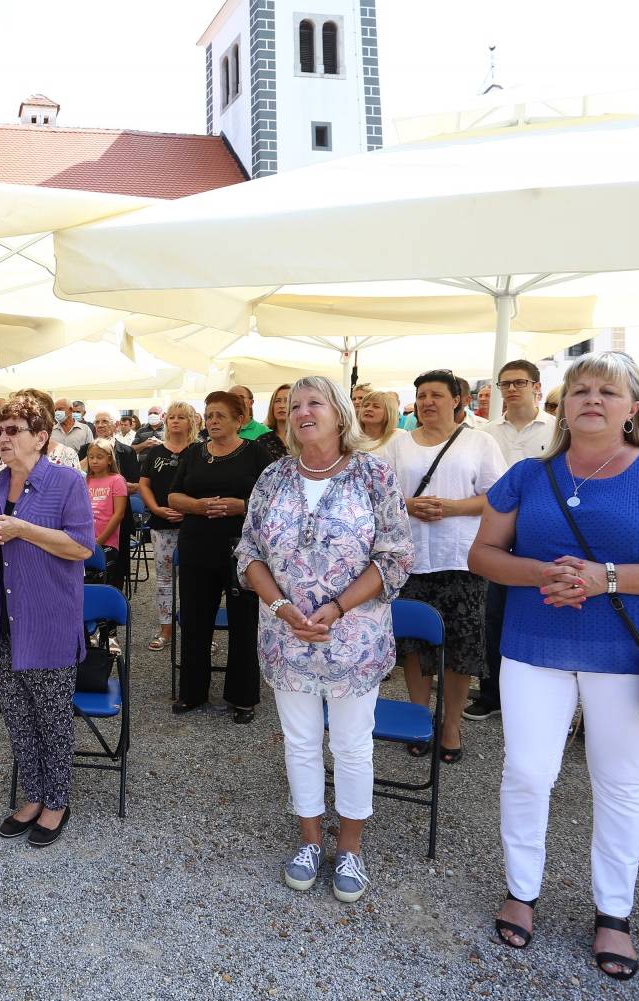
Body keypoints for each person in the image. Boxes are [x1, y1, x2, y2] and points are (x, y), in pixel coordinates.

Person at [469, 351, 639, 981]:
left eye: (607, 391)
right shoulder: (529, 476)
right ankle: (522, 889)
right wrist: (544, 573)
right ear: (563, 403)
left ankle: (613, 913)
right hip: (535, 645)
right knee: (528, 773)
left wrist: (604, 578)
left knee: (618, 783)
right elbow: (483, 554)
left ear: (633, 407)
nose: (592, 398)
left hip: (631, 655)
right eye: (580, 389)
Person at [238, 376, 413, 902]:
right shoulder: (272, 477)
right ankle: (310, 841)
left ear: (341, 414)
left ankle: (351, 849)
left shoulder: (373, 474)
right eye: (294, 405)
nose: (302, 412)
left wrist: (336, 607)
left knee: (353, 745)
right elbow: (249, 552)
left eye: (315, 403)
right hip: (286, 634)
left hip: (353, 637)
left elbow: (396, 556)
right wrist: (283, 607)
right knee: (300, 741)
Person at [0, 394, 93, 847]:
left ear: (41, 437)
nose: (2, 438)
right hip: (2, 620)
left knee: (53, 717)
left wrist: (23, 530)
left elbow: (81, 548)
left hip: (48, 619)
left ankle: (57, 799)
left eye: (12, 430)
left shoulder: (66, 483)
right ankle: (33, 793)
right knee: (18, 716)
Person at [383, 370, 506, 762]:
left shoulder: (479, 442)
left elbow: (497, 499)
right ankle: (419, 717)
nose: (427, 402)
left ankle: (451, 724)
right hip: (410, 558)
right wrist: (408, 505)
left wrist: (452, 507)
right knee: (415, 648)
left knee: (459, 648)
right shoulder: (398, 445)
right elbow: (378, 496)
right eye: (421, 395)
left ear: (458, 400)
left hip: (461, 558)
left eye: (436, 394)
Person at [166, 391, 277, 722]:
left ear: (238, 421)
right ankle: (192, 692)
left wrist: (240, 505)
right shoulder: (195, 453)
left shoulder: (256, 453)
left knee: (244, 623)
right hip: (197, 545)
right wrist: (198, 506)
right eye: (209, 415)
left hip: (241, 551)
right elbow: (173, 495)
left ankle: (242, 698)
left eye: (220, 416)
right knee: (196, 619)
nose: (213, 421)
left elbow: (274, 499)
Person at [468, 360, 556, 723]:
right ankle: (492, 692)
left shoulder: (557, 430)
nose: (512, 389)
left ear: (537, 386)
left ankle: (541, 696)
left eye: (519, 382)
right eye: (505, 384)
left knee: (542, 612)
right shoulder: (487, 433)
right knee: (492, 615)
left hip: (543, 533)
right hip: (497, 534)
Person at [138, 401, 194, 652]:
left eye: (181, 417)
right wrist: (156, 509)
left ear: (191, 421)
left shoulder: (200, 451)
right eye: (171, 416)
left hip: (193, 524)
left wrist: (190, 508)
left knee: (195, 580)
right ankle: (166, 629)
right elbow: (144, 485)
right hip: (161, 524)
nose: (175, 421)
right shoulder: (156, 452)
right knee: (163, 579)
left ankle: (197, 630)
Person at [84, 443, 128, 590]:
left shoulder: (116, 480)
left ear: (109, 460)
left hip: (106, 542)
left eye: (99, 457)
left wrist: (99, 541)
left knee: (102, 583)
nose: (94, 461)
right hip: (84, 539)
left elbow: (119, 514)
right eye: (91, 457)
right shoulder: (85, 480)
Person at [230, 384, 289, 460]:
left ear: (251, 402)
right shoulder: (218, 432)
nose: (282, 405)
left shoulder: (263, 432)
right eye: (277, 401)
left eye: (241, 397)